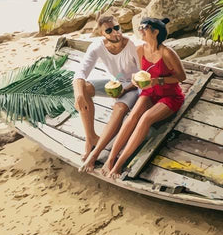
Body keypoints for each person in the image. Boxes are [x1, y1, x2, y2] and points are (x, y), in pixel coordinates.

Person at [103, 17, 186, 179]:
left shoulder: (167, 53)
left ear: (155, 32)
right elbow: (140, 75)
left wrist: (158, 81)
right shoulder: (140, 50)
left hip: (170, 96)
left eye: (144, 27)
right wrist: (131, 84)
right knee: (133, 116)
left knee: (145, 119)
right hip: (150, 93)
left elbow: (181, 76)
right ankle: (110, 159)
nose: (140, 30)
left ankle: (119, 164)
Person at [74, 15, 140, 170]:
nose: (115, 33)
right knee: (83, 88)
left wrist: (125, 90)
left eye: (117, 28)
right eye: (109, 30)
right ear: (102, 34)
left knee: (120, 108)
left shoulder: (132, 45)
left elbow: (143, 74)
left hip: (134, 85)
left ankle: (96, 153)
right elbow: (80, 73)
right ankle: (91, 138)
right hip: (116, 82)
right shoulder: (97, 46)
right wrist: (79, 95)